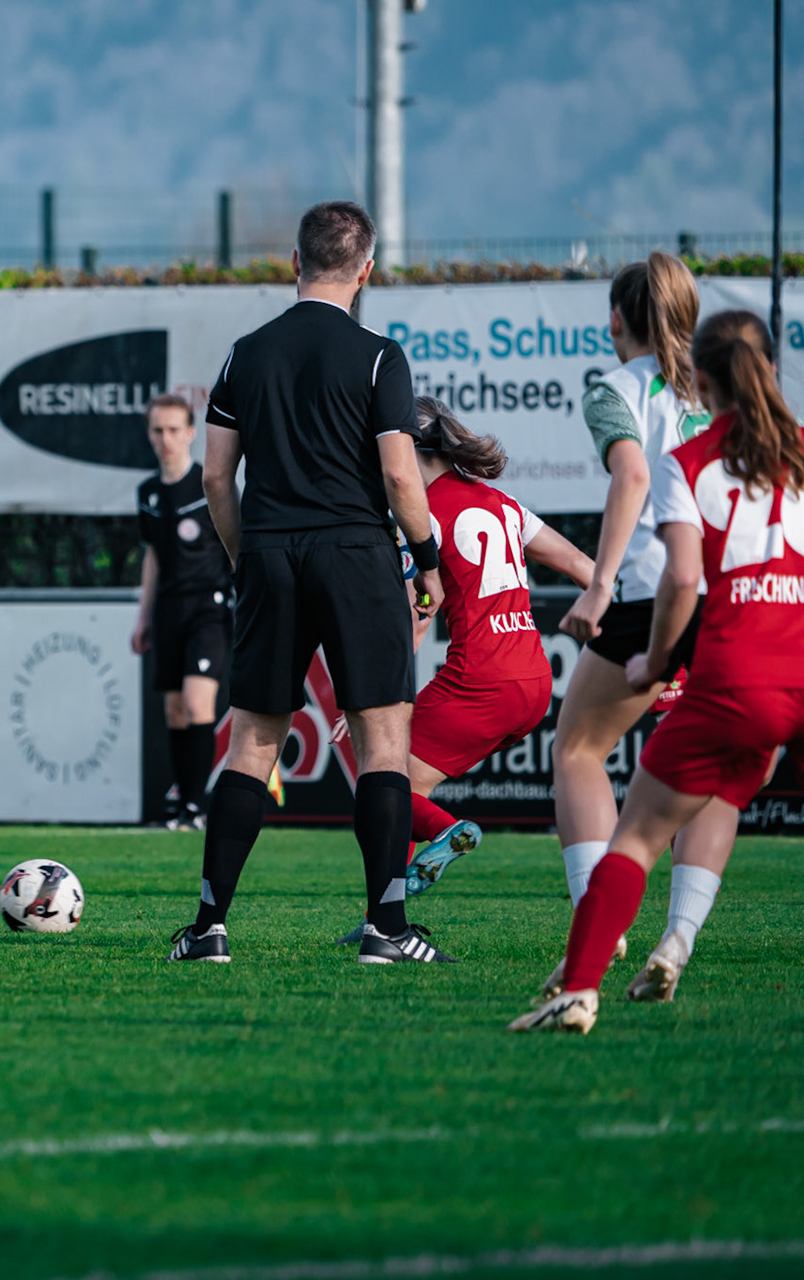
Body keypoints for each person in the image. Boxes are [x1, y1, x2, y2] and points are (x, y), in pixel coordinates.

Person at [164, 199, 451, 966]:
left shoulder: (244, 353)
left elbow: (216, 476)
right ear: (366, 270)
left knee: (253, 742)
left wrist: (243, 556)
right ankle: (386, 931)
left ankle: (209, 928)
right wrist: (428, 560)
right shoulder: (381, 356)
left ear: (294, 263)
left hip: (271, 555)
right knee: (382, 742)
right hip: (358, 556)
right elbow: (399, 472)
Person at [513, 310, 804, 1033]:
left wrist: (653, 660)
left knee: (638, 834)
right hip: (794, 679)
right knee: (725, 790)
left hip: (731, 674)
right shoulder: (800, 454)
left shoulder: (692, 461)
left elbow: (679, 582)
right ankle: (678, 938)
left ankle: (578, 988)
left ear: (701, 382)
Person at [333, 398, 595, 943]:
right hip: (535, 680)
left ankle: (443, 840)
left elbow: (416, 612)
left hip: (481, 678)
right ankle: (380, 919)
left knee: (380, 784)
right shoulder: (502, 502)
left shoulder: (420, 514)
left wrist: (375, 693)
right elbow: (581, 567)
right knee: (403, 783)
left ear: (408, 448)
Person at [545, 252, 738, 991]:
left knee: (579, 750)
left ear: (616, 320)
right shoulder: (727, 388)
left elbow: (630, 475)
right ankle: (677, 939)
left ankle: (602, 923)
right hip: (734, 596)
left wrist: (598, 585)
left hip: (657, 589)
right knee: (713, 775)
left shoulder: (616, 388)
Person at [132, 392, 231, 830]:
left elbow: (234, 541)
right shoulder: (148, 492)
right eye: (158, 430)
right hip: (168, 610)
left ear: (191, 433)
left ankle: (197, 805)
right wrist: (143, 617)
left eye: (174, 429)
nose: (166, 438)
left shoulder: (209, 483)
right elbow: (152, 554)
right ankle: (182, 802)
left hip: (208, 605)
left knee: (197, 699)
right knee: (173, 709)